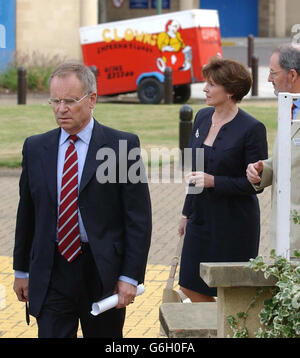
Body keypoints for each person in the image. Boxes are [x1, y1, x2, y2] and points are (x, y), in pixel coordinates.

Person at [12, 61, 152, 338]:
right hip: (51, 269)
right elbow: (26, 212)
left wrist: (129, 277)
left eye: (70, 101)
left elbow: (138, 218)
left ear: (92, 99)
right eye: (55, 101)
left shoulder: (122, 147)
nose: (60, 109)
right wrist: (21, 269)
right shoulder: (36, 147)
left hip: (102, 273)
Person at [177, 57, 268, 302]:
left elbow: (255, 185)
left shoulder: (252, 128)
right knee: (189, 284)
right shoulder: (202, 117)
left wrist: (213, 181)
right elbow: (195, 172)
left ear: (230, 91)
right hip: (200, 217)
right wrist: (186, 213)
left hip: (234, 222)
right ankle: (213, 328)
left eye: (211, 84)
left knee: (230, 292)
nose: (205, 89)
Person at [246, 44, 300, 255]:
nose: (269, 78)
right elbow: (292, 160)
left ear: (293, 75)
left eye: (273, 73)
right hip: (283, 238)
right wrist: (263, 170)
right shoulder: (289, 108)